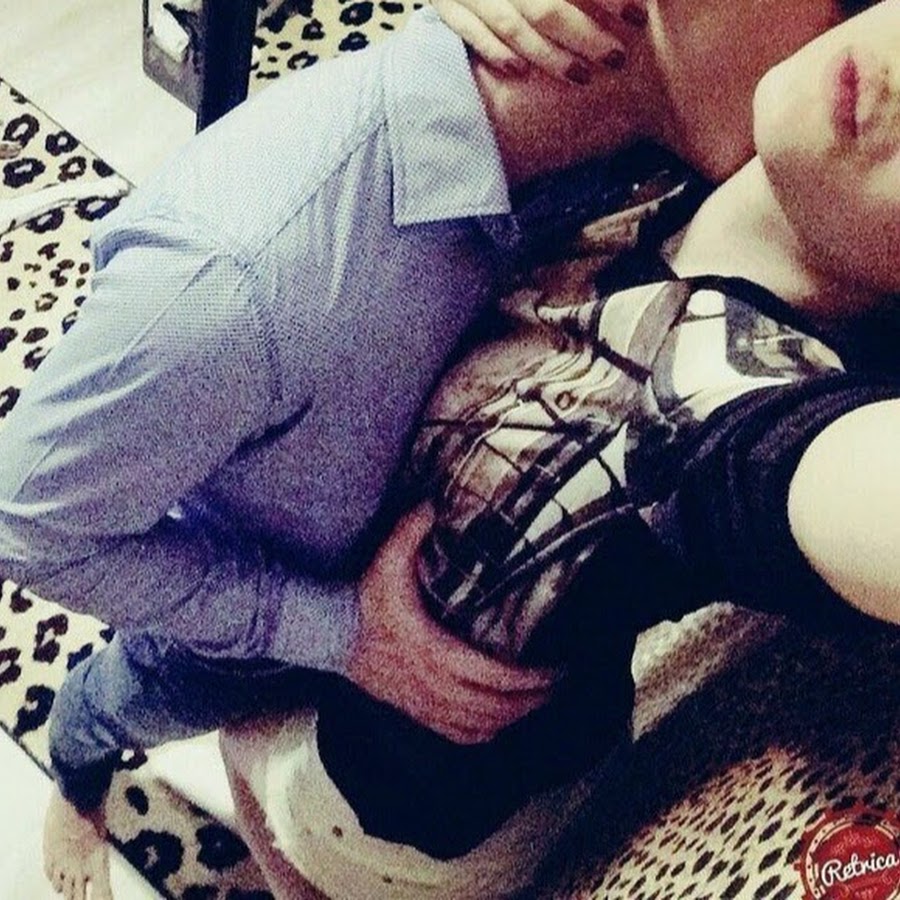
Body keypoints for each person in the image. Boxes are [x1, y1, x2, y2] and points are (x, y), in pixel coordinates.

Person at [0, 0, 865, 897]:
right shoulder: (233, 279)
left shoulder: (624, 151)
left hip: (402, 582)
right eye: (852, 2)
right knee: (135, 694)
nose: (871, 41)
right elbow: (25, 525)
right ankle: (78, 775)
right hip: (259, 581)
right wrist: (336, 632)